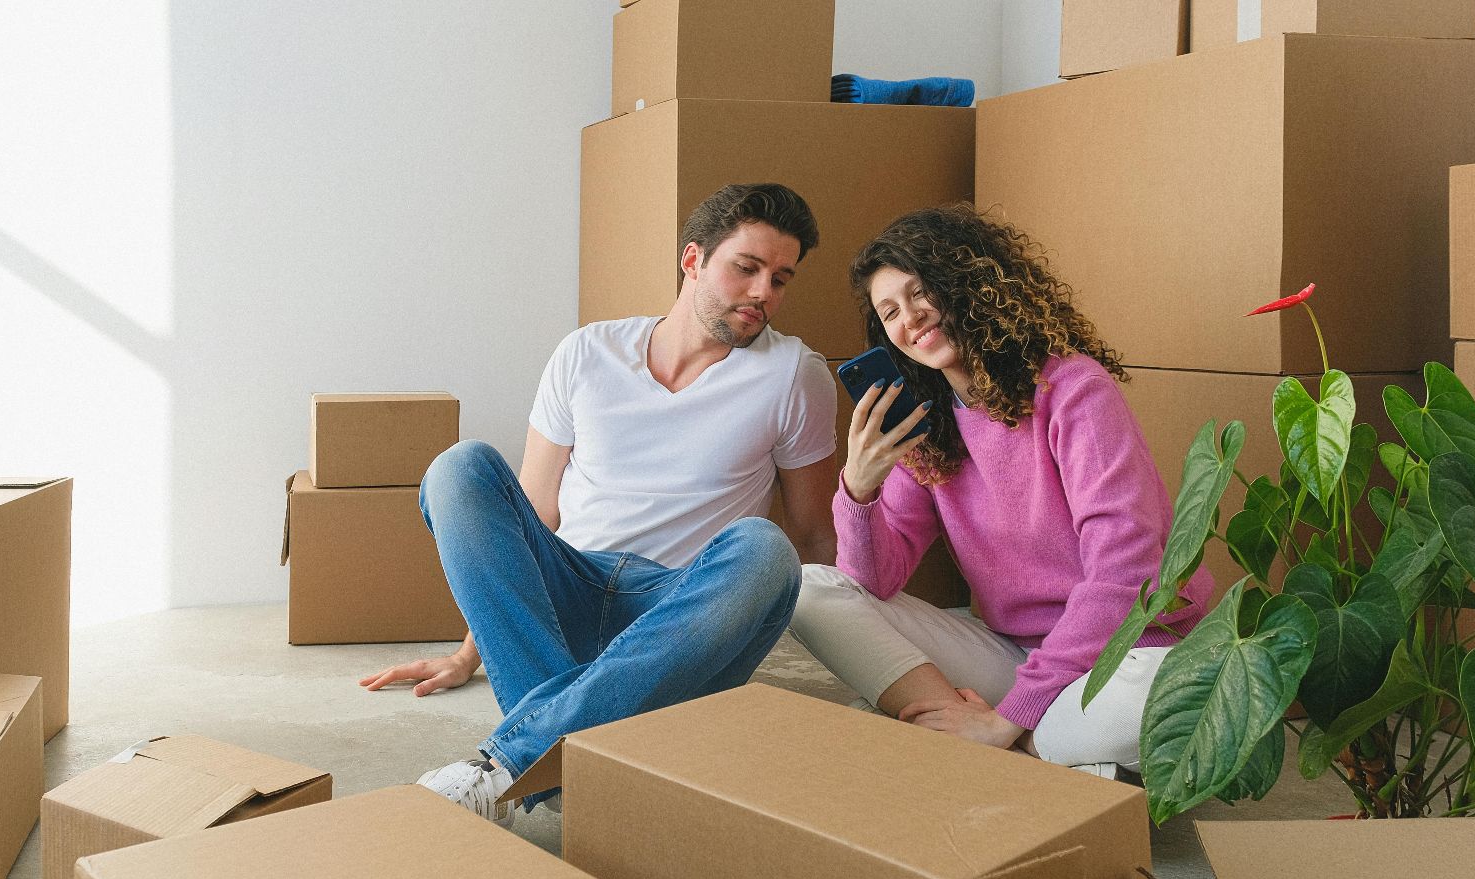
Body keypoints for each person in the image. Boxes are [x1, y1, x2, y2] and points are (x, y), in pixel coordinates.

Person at [361, 183, 839, 823]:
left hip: (679, 617)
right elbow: (534, 513)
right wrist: (468, 653)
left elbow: (812, 539)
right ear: (693, 260)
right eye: (746, 268)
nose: (763, 293)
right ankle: (577, 740)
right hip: (568, 593)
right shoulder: (588, 351)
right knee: (460, 468)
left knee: (765, 549)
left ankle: (509, 765)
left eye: (780, 279)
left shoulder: (796, 375)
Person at [788, 204, 1212, 780]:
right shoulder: (929, 425)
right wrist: (858, 490)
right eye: (890, 312)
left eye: (920, 292)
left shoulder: (1073, 390)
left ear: (968, 283)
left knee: (1171, 707)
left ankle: (999, 739)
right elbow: (873, 583)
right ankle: (1022, 744)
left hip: (1131, 651)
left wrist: (1007, 717)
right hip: (1013, 652)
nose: (910, 318)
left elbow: (1125, 572)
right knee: (812, 590)